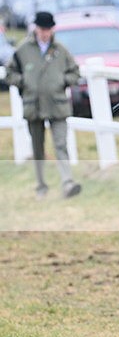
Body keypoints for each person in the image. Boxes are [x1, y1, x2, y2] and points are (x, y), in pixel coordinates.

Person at [6, 11, 82, 199]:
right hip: (34, 105)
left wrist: (61, 81)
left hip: (57, 104)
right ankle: (41, 186)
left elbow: (75, 72)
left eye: (48, 29)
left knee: (60, 144)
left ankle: (67, 183)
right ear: (36, 28)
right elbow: (10, 72)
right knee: (38, 147)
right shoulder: (22, 50)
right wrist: (23, 81)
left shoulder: (60, 49)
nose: (45, 33)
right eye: (42, 29)